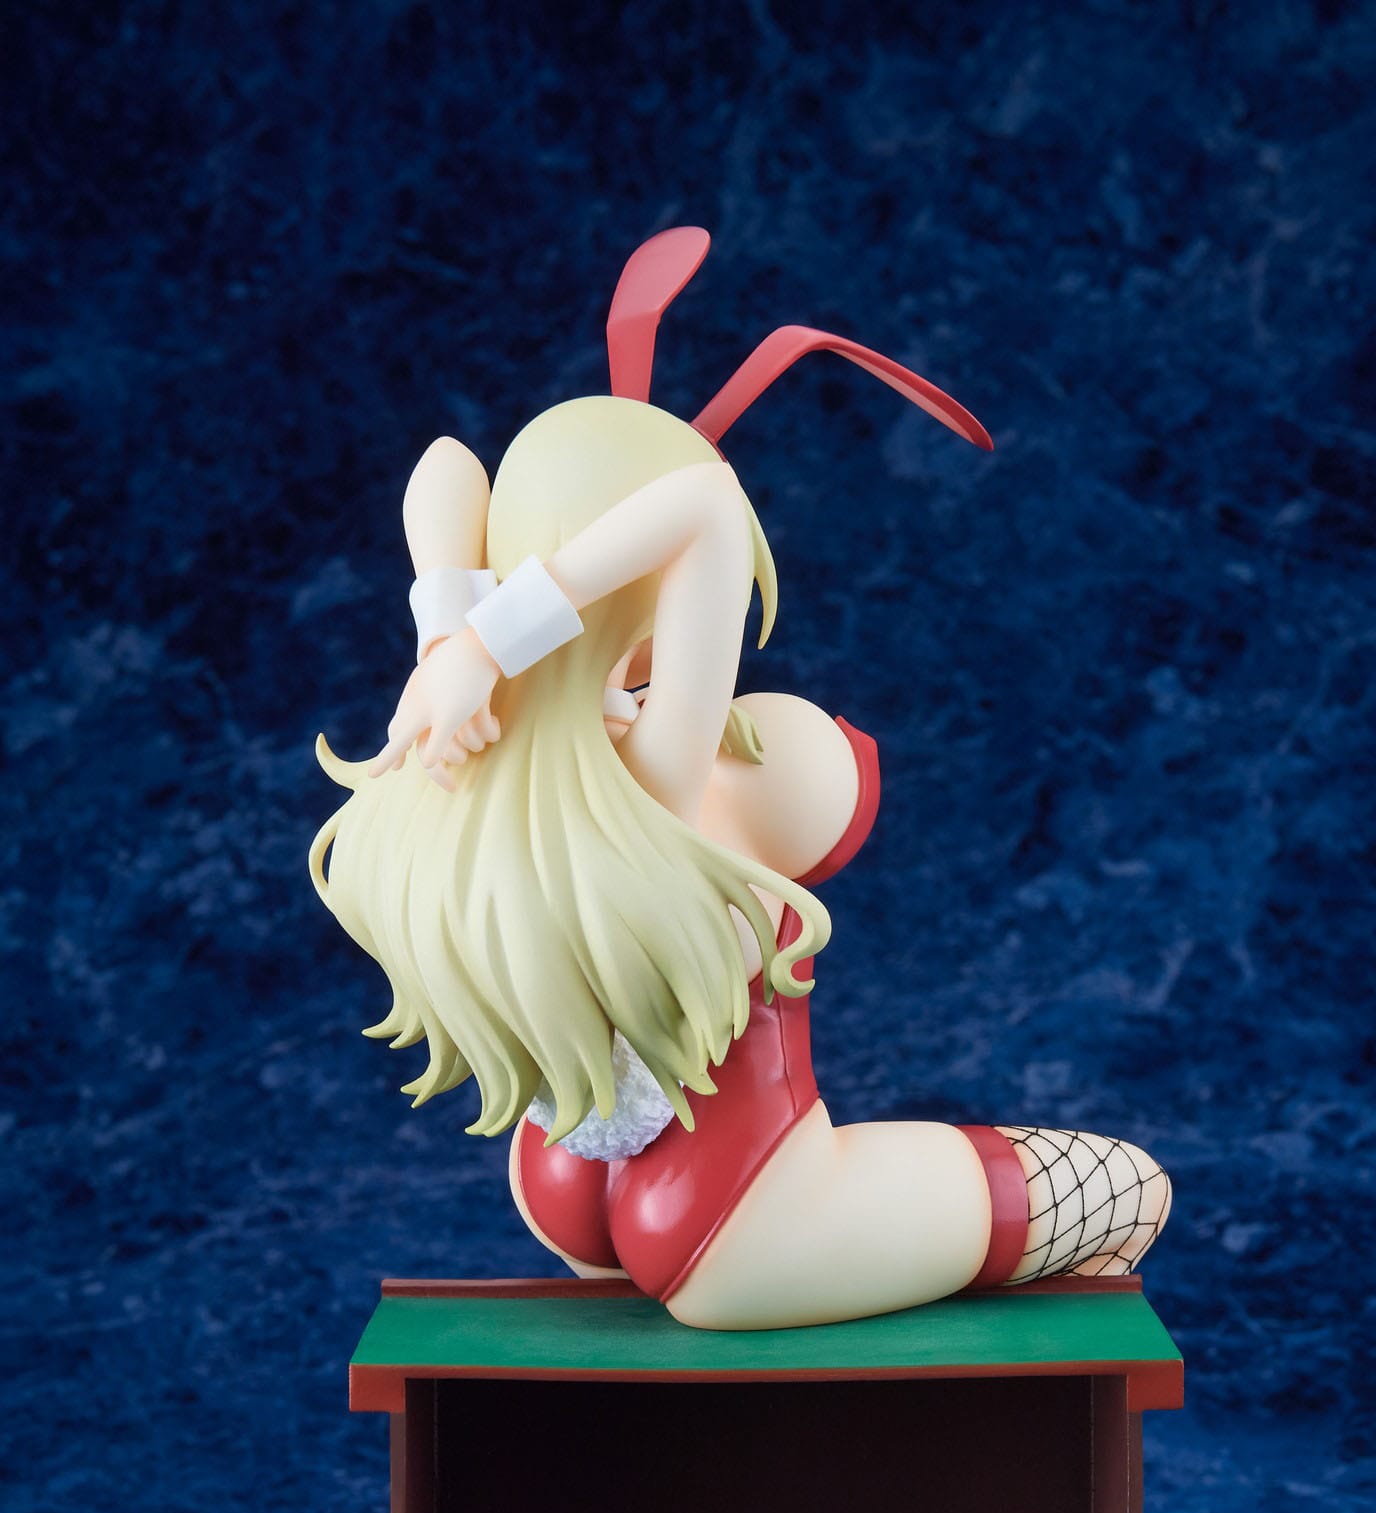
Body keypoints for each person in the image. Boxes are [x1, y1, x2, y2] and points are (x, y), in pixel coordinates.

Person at [310, 232, 1170, 1329]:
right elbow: (704, 508)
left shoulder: (446, 760)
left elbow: (443, 461)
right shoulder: (651, 784)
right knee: (1130, 1189)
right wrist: (492, 638)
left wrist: (451, 636)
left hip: (557, 1177)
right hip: (739, 1208)